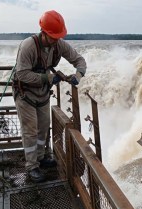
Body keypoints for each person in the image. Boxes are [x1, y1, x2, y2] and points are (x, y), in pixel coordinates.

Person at [12, 10, 87, 183]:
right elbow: (22, 74)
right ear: (44, 32)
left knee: (44, 126)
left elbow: (80, 60)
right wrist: (48, 78)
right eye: (53, 36)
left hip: (42, 93)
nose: (55, 40)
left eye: (57, 36)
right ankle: (32, 166)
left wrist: (78, 75)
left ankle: (41, 158)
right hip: (25, 94)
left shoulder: (59, 45)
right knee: (30, 130)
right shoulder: (28, 46)